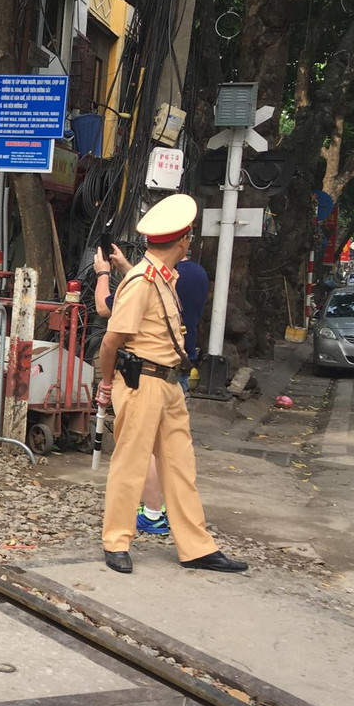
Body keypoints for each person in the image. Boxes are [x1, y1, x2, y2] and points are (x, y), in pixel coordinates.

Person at [95, 194, 247, 576]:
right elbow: (111, 341)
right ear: (183, 241)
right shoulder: (142, 282)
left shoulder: (162, 278)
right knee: (130, 464)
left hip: (168, 384)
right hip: (142, 382)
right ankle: (116, 540)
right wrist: (106, 383)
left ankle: (195, 547)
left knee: (181, 466)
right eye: (189, 239)